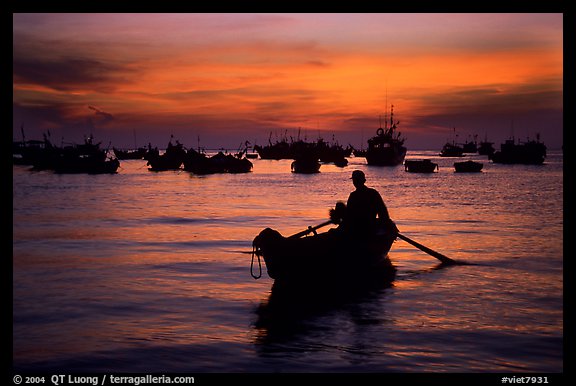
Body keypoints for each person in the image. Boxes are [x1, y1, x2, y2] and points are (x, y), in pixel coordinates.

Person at [331, 170, 398, 237]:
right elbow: (383, 212)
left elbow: (382, 212)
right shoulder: (371, 193)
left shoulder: (357, 195)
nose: (355, 182)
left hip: (362, 228)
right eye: (355, 180)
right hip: (363, 227)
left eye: (356, 180)